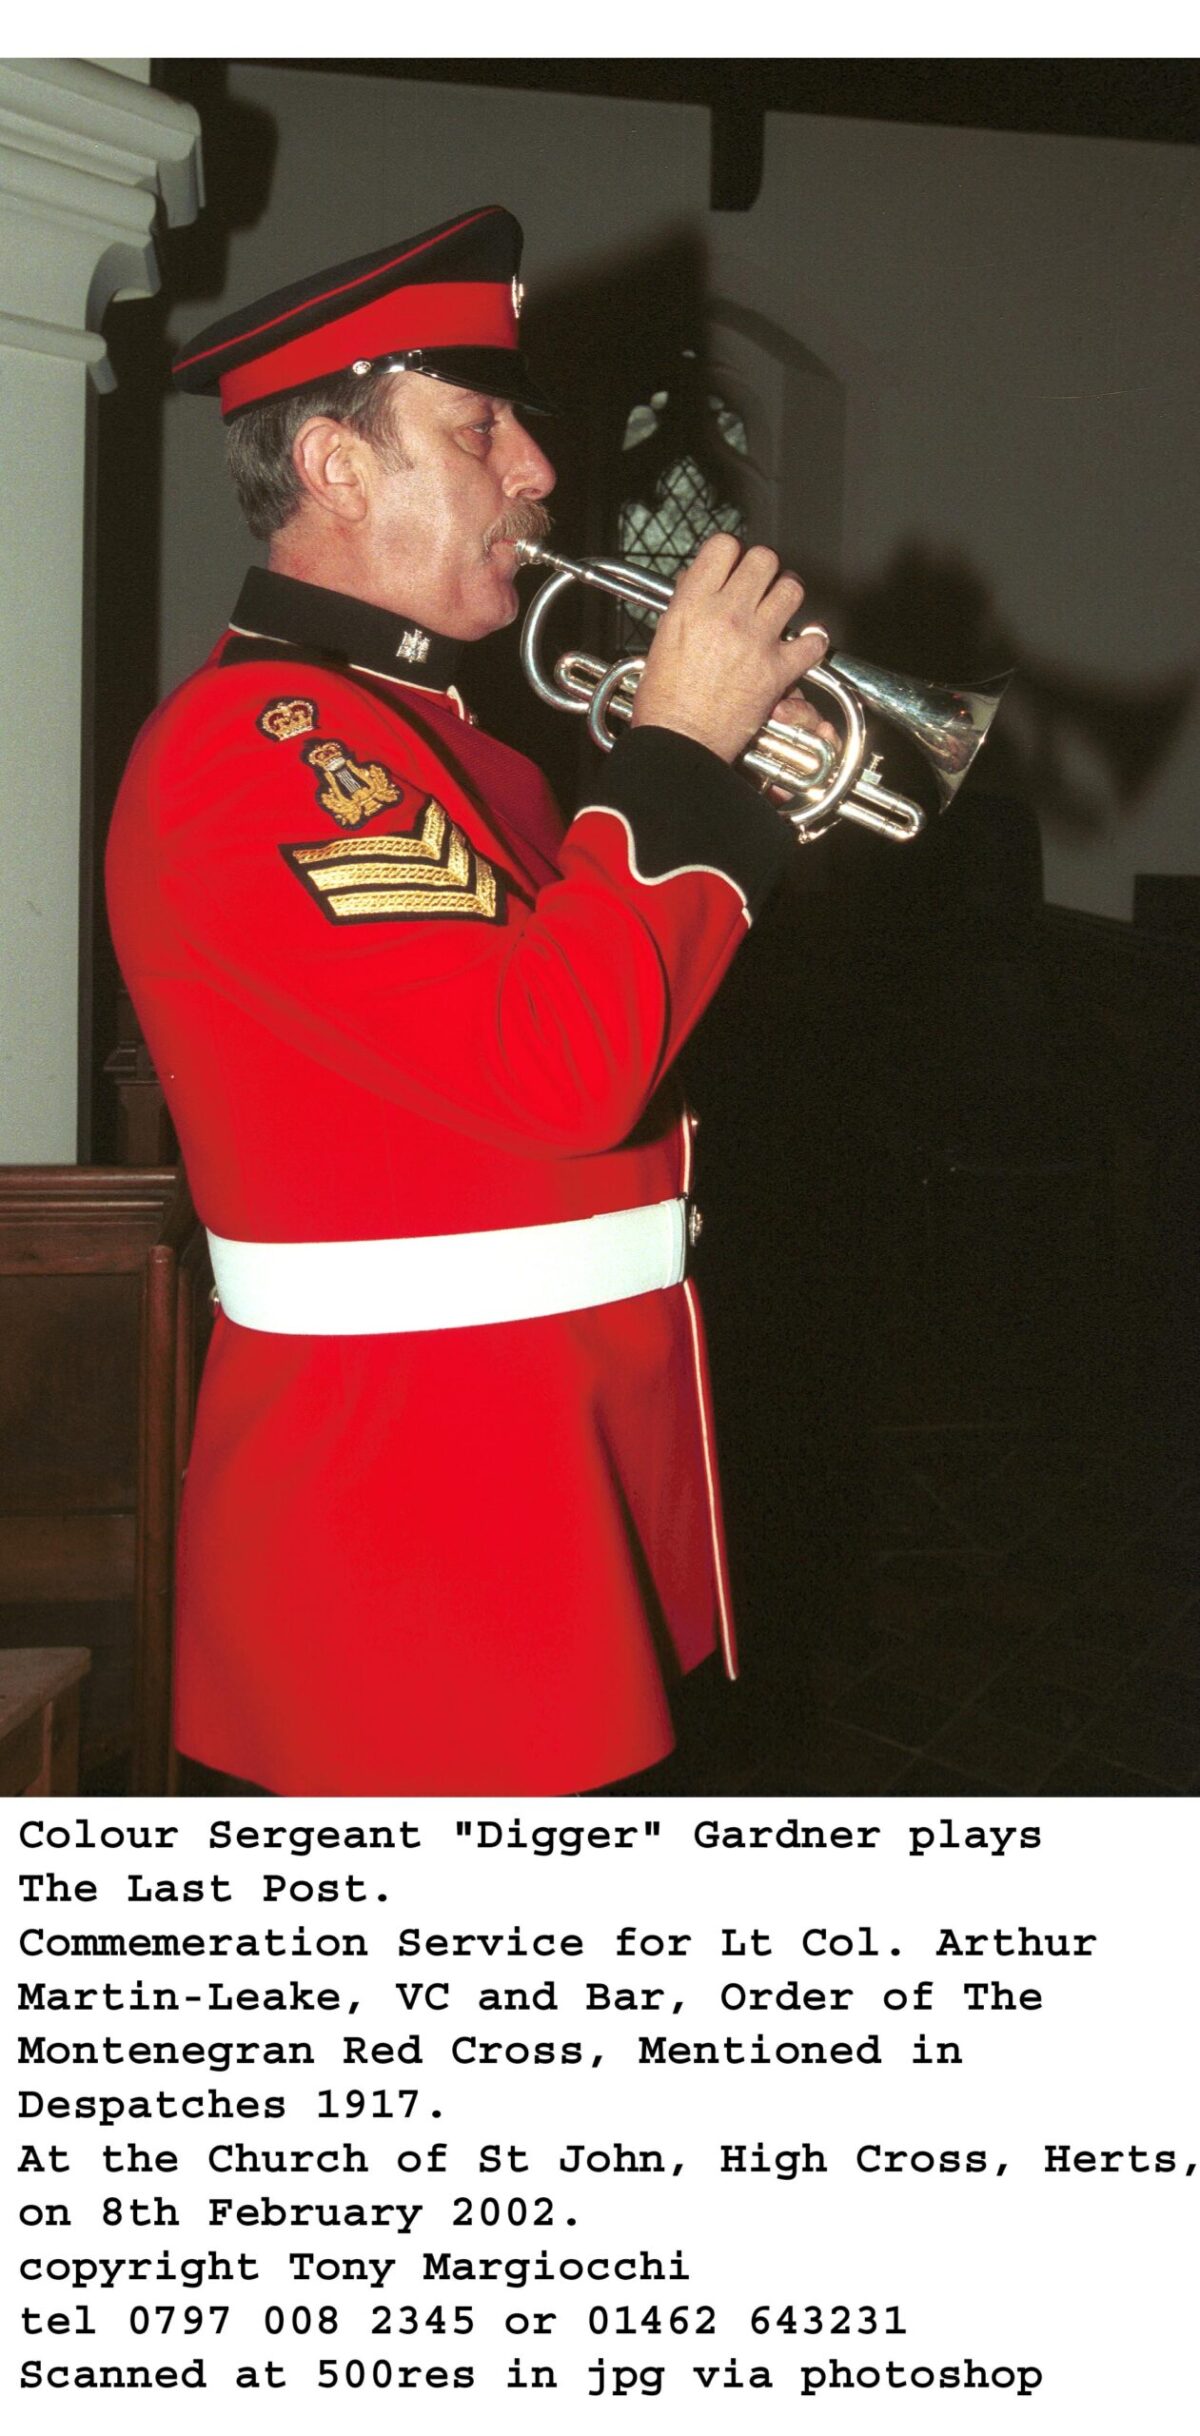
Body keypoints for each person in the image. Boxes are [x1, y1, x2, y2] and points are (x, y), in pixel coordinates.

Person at [106, 204, 832, 1796]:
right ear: (336, 466)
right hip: (416, 1550)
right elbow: (560, 1069)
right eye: (479, 427)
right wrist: (676, 762)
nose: (541, 474)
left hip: (563, 1495)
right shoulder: (261, 744)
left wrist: (707, 797)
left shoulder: (473, 751)